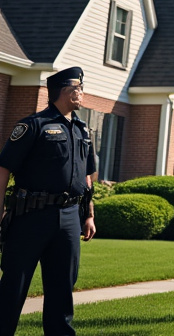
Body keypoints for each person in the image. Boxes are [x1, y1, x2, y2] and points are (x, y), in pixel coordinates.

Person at [0, 67, 97, 336]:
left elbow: (87, 176)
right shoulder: (33, 125)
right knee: (14, 283)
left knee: (62, 286)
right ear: (65, 91)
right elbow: (4, 168)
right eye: (78, 88)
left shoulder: (82, 129)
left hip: (68, 217)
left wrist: (88, 214)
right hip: (31, 215)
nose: (81, 92)